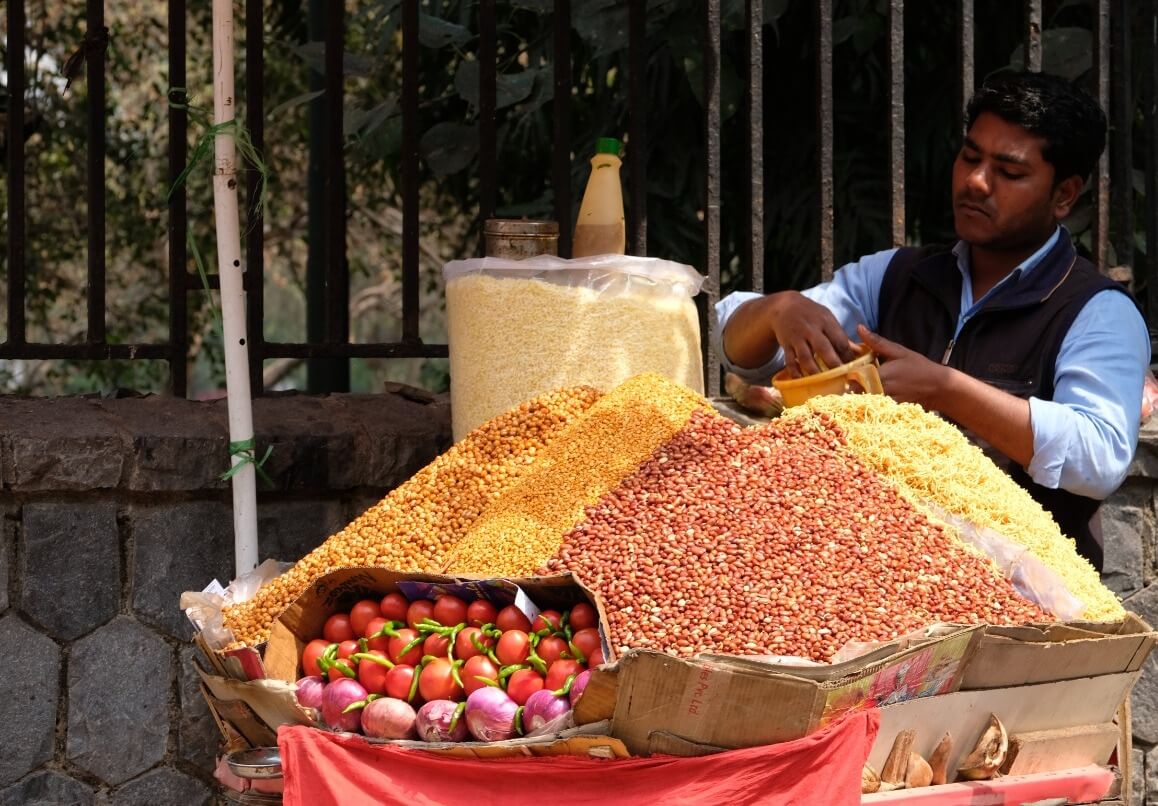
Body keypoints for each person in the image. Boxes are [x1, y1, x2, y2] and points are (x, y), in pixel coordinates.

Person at [714, 70, 1149, 571]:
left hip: (1025, 601)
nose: (976, 182)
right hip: (877, 579)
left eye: (1008, 173)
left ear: (1064, 195)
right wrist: (780, 310)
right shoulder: (897, 276)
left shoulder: (1094, 310)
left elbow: (1097, 457)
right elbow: (739, 348)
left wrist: (944, 389)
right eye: (970, 157)